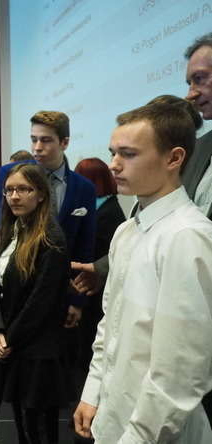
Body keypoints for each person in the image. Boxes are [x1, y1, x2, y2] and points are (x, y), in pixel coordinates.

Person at [73, 102, 212, 443]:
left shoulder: (187, 236)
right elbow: (110, 324)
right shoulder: (126, 232)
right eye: (113, 153)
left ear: (173, 158)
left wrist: (137, 437)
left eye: (128, 154)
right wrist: (93, 392)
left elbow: (179, 373)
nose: (114, 164)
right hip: (114, 416)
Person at [0, 164, 70, 444]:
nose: (15, 196)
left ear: (41, 194)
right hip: (12, 343)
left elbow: (41, 302)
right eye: (9, 190)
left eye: (24, 189)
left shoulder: (52, 239)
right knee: (21, 428)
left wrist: (9, 338)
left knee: (38, 432)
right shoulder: (10, 230)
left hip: (38, 352)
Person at [72, 158, 125, 402]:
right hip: (89, 286)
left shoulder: (108, 212)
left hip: (95, 289)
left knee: (90, 348)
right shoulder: (100, 207)